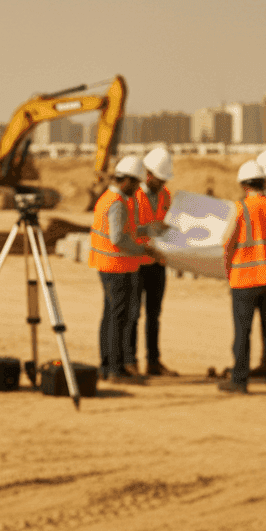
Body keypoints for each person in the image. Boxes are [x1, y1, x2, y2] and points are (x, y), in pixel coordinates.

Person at [222, 159, 266, 395]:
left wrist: (228, 271)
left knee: (243, 333)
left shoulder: (240, 209)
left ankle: (239, 382)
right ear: (264, 183)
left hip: (245, 279)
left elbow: (227, 244)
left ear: (243, 185)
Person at [89, 155, 155, 382]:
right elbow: (118, 238)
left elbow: (127, 230)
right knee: (118, 318)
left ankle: (107, 366)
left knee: (110, 316)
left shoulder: (108, 198)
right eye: (136, 183)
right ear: (126, 180)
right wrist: (143, 251)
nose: (138, 189)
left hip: (108, 266)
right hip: (116, 267)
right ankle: (115, 369)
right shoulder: (117, 203)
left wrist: (149, 229)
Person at [129, 147, 177, 376]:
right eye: (160, 178)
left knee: (154, 315)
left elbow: (164, 221)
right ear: (148, 173)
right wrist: (148, 229)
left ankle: (153, 361)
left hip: (157, 262)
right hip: (137, 261)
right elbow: (125, 230)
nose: (162, 183)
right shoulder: (133, 194)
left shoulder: (166, 195)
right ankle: (130, 361)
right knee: (133, 314)